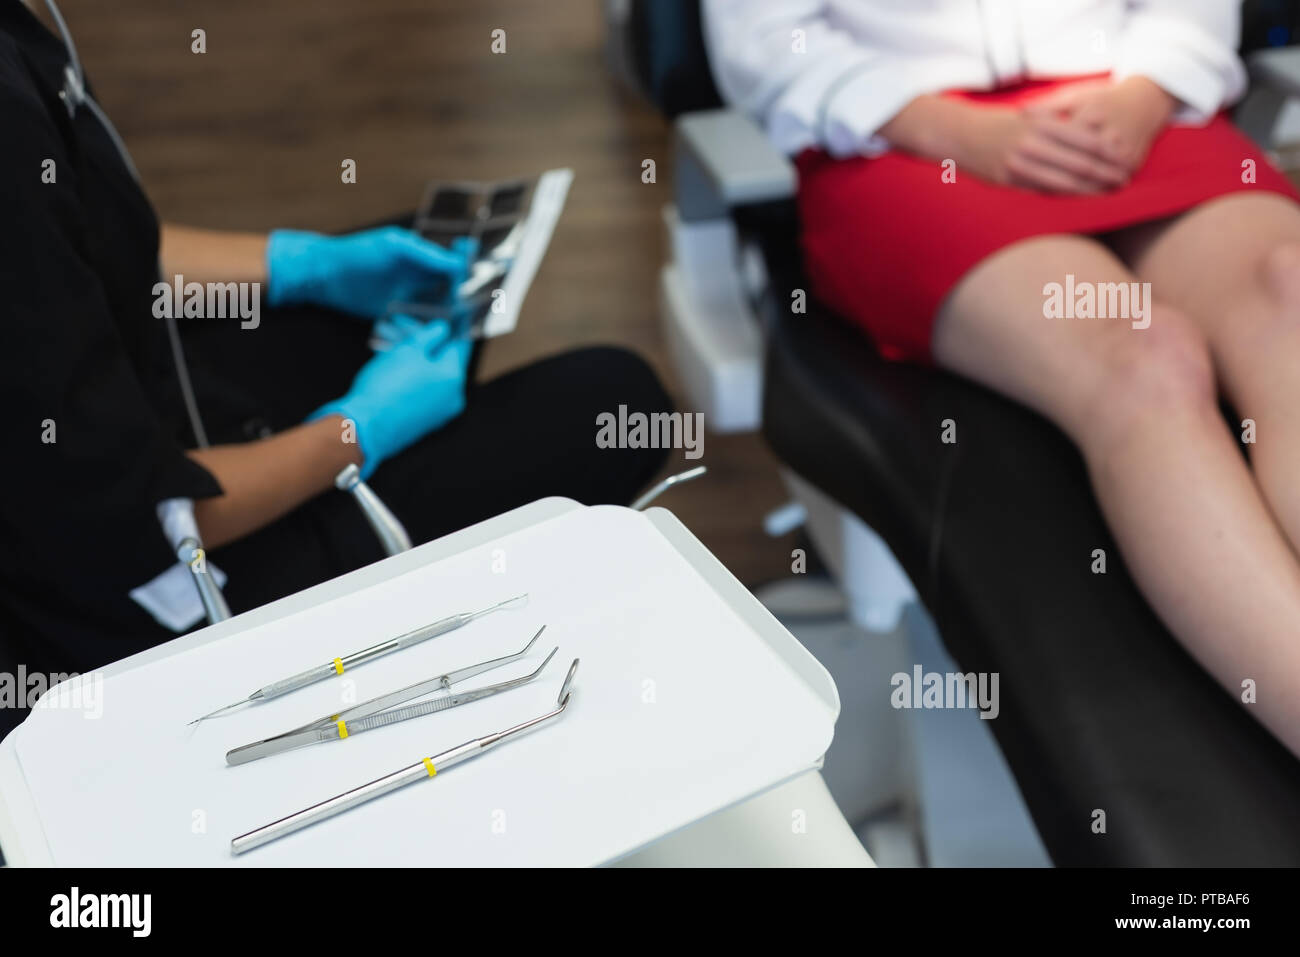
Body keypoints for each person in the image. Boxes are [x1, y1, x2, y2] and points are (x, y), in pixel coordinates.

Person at [0, 0, 670, 706]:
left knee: (438, 266)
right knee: (614, 398)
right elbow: (138, 519)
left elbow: (92, 245)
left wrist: (307, 264)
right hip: (143, 601)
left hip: (133, 409)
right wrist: (357, 431)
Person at [705, 0, 1300, 757]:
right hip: (902, 142)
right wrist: (955, 131)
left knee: (1290, 288)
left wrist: (1141, 96)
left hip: (1130, 110)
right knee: (1144, 360)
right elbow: (764, 37)